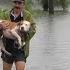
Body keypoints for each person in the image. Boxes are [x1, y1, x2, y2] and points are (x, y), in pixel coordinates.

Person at [0, 0, 36, 70]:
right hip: (7, 47)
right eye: (15, 2)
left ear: (23, 4)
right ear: (12, 3)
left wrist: (22, 36)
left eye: (19, 3)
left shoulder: (28, 15)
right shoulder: (5, 14)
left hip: (21, 49)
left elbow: (33, 29)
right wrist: (1, 28)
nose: (17, 5)